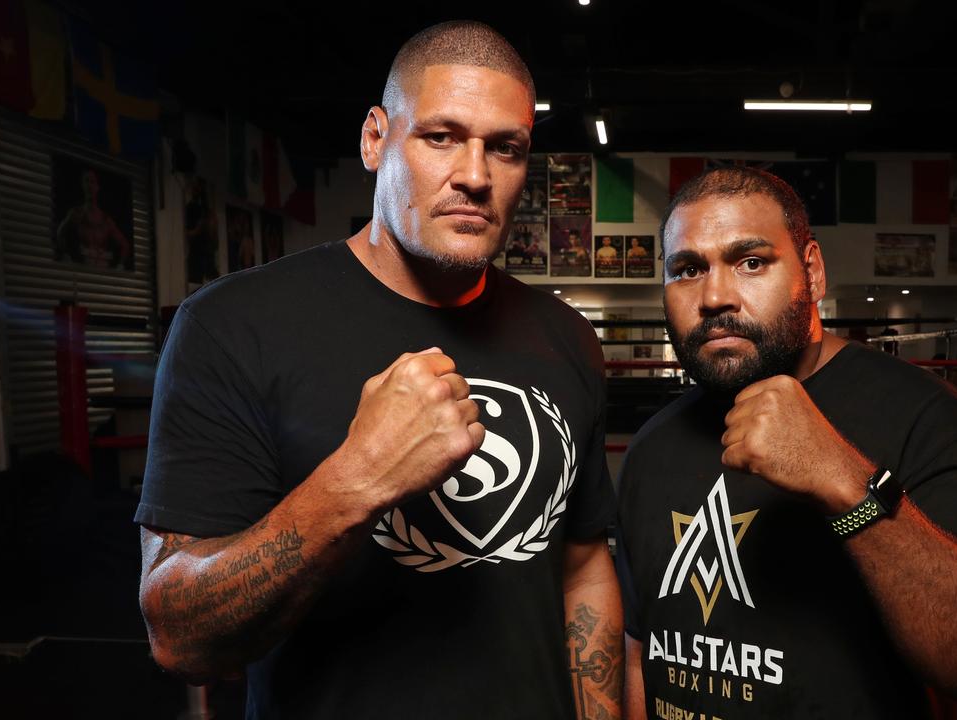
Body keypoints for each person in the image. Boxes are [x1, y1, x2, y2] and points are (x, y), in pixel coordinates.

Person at [136, 21, 622, 719]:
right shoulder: (234, 324)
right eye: (441, 136)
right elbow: (180, 639)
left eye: (505, 149)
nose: (475, 176)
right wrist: (356, 481)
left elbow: (582, 567)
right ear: (375, 139)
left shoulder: (567, 337)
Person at [615, 166, 957, 719]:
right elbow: (638, 650)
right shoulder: (652, 446)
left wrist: (846, 481)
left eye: (751, 262)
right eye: (688, 269)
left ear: (813, 273)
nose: (716, 296)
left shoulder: (926, 419)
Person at [56, 167, 132, 269]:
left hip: (103, 269)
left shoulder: (106, 219)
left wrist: (120, 265)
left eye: (92, 182)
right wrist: (66, 255)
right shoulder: (76, 213)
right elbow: (60, 233)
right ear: (82, 185)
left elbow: (125, 245)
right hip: (83, 269)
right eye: (86, 181)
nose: (89, 185)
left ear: (97, 187)